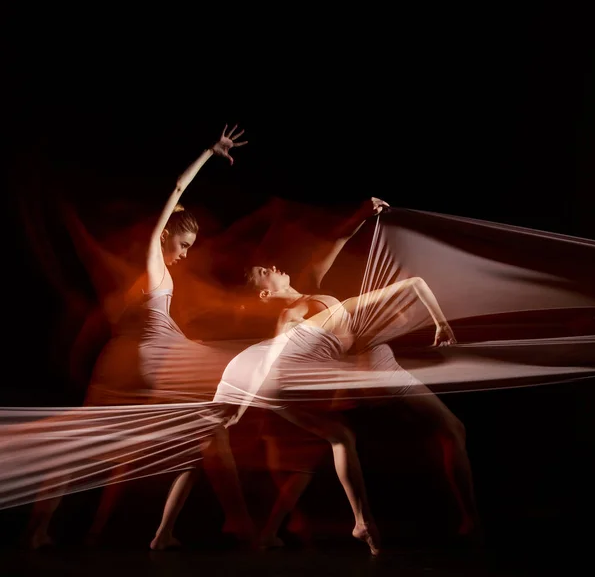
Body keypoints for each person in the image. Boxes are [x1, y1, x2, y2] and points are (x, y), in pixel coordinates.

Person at [26, 124, 255, 551]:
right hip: (149, 365)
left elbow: (149, 326)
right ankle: (223, 525)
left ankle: (39, 528)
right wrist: (210, 150)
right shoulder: (155, 261)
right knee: (212, 427)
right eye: (183, 243)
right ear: (166, 234)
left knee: (75, 447)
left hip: (116, 363)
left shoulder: (137, 285)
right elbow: (176, 187)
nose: (186, 253)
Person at [213, 201, 478, 555]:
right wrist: (243, 405)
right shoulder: (290, 314)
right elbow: (271, 358)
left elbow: (335, 243)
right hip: (353, 373)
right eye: (264, 271)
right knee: (340, 437)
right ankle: (452, 520)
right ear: (265, 292)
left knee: (349, 437)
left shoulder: (310, 287)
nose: (272, 266)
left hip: (373, 363)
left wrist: (362, 214)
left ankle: (366, 523)